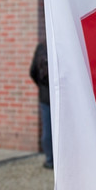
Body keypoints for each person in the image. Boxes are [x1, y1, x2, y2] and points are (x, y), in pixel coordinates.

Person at [29, 41, 53, 169]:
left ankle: (50, 160)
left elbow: (32, 72)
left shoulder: (41, 47)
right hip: (60, 96)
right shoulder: (62, 45)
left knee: (47, 129)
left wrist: (42, 87)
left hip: (45, 96)